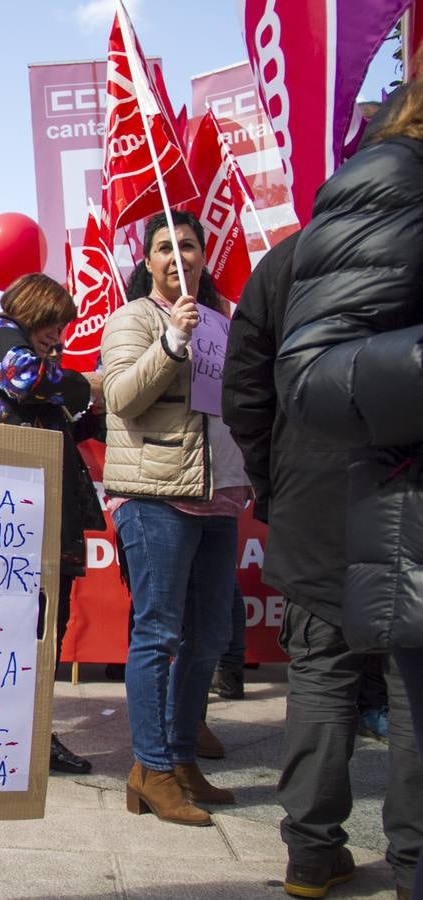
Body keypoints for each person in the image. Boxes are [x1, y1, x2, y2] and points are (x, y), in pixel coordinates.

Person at [225, 231, 422, 898]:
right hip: (402, 483)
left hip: (315, 486)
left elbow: (244, 389)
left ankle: (310, 852)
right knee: (407, 675)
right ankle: (410, 861)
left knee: (321, 667)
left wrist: (276, 479)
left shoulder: (292, 256)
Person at [276, 75, 423, 900]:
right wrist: (271, 488)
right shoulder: (299, 257)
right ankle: (317, 846)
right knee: (332, 668)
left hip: (341, 499)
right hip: (333, 500)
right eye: (168, 248)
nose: (183, 260)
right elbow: (271, 385)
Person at [100, 209, 248, 827]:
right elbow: (121, 397)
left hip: (217, 494)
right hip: (156, 493)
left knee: (209, 636)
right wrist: (171, 342)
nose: (176, 256)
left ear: (202, 255)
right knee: (160, 634)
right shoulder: (134, 318)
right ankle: (151, 769)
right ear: (149, 260)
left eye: (187, 245)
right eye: (165, 247)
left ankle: (182, 759)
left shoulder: (219, 321)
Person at [0, 273, 101, 775]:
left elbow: (44, 411)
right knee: (9, 626)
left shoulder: (35, 358)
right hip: (4, 513)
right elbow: (25, 379)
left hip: (36, 510)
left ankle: (32, 733)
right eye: (54, 323)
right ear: (34, 308)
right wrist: (85, 386)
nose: (58, 336)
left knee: (44, 629)